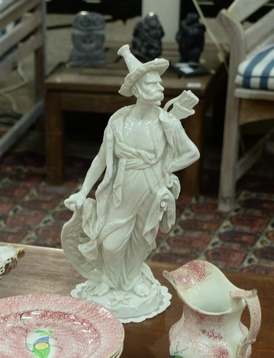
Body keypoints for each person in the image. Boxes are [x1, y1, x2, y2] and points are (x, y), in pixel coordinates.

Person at [62, 44, 199, 319]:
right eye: (152, 84)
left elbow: (192, 153)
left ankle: (131, 280)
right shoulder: (119, 120)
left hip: (151, 187)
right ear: (137, 89)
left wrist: (164, 167)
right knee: (111, 242)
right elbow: (101, 158)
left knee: (141, 238)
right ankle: (110, 280)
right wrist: (83, 191)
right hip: (121, 188)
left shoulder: (167, 122)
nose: (160, 88)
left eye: (160, 83)